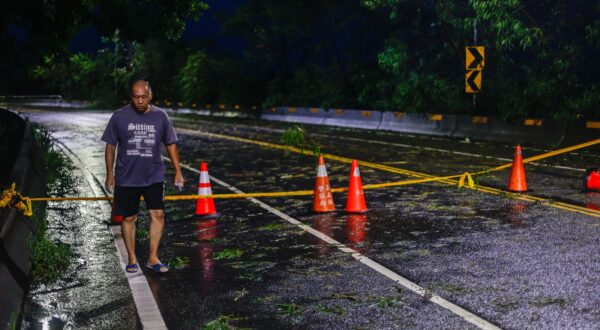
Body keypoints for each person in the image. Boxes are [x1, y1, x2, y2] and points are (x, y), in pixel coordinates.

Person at [102, 80, 184, 273]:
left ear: (150, 95)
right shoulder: (119, 116)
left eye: (143, 97)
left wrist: (178, 171)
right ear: (131, 97)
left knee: (158, 214)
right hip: (127, 177)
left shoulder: (160, 116)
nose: (139, 101)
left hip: (153, 175)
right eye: (136, 97)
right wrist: (109, 174)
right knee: (129, 217)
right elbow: (110, 146)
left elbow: (170, 144)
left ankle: (153, 257)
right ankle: (132, 258)